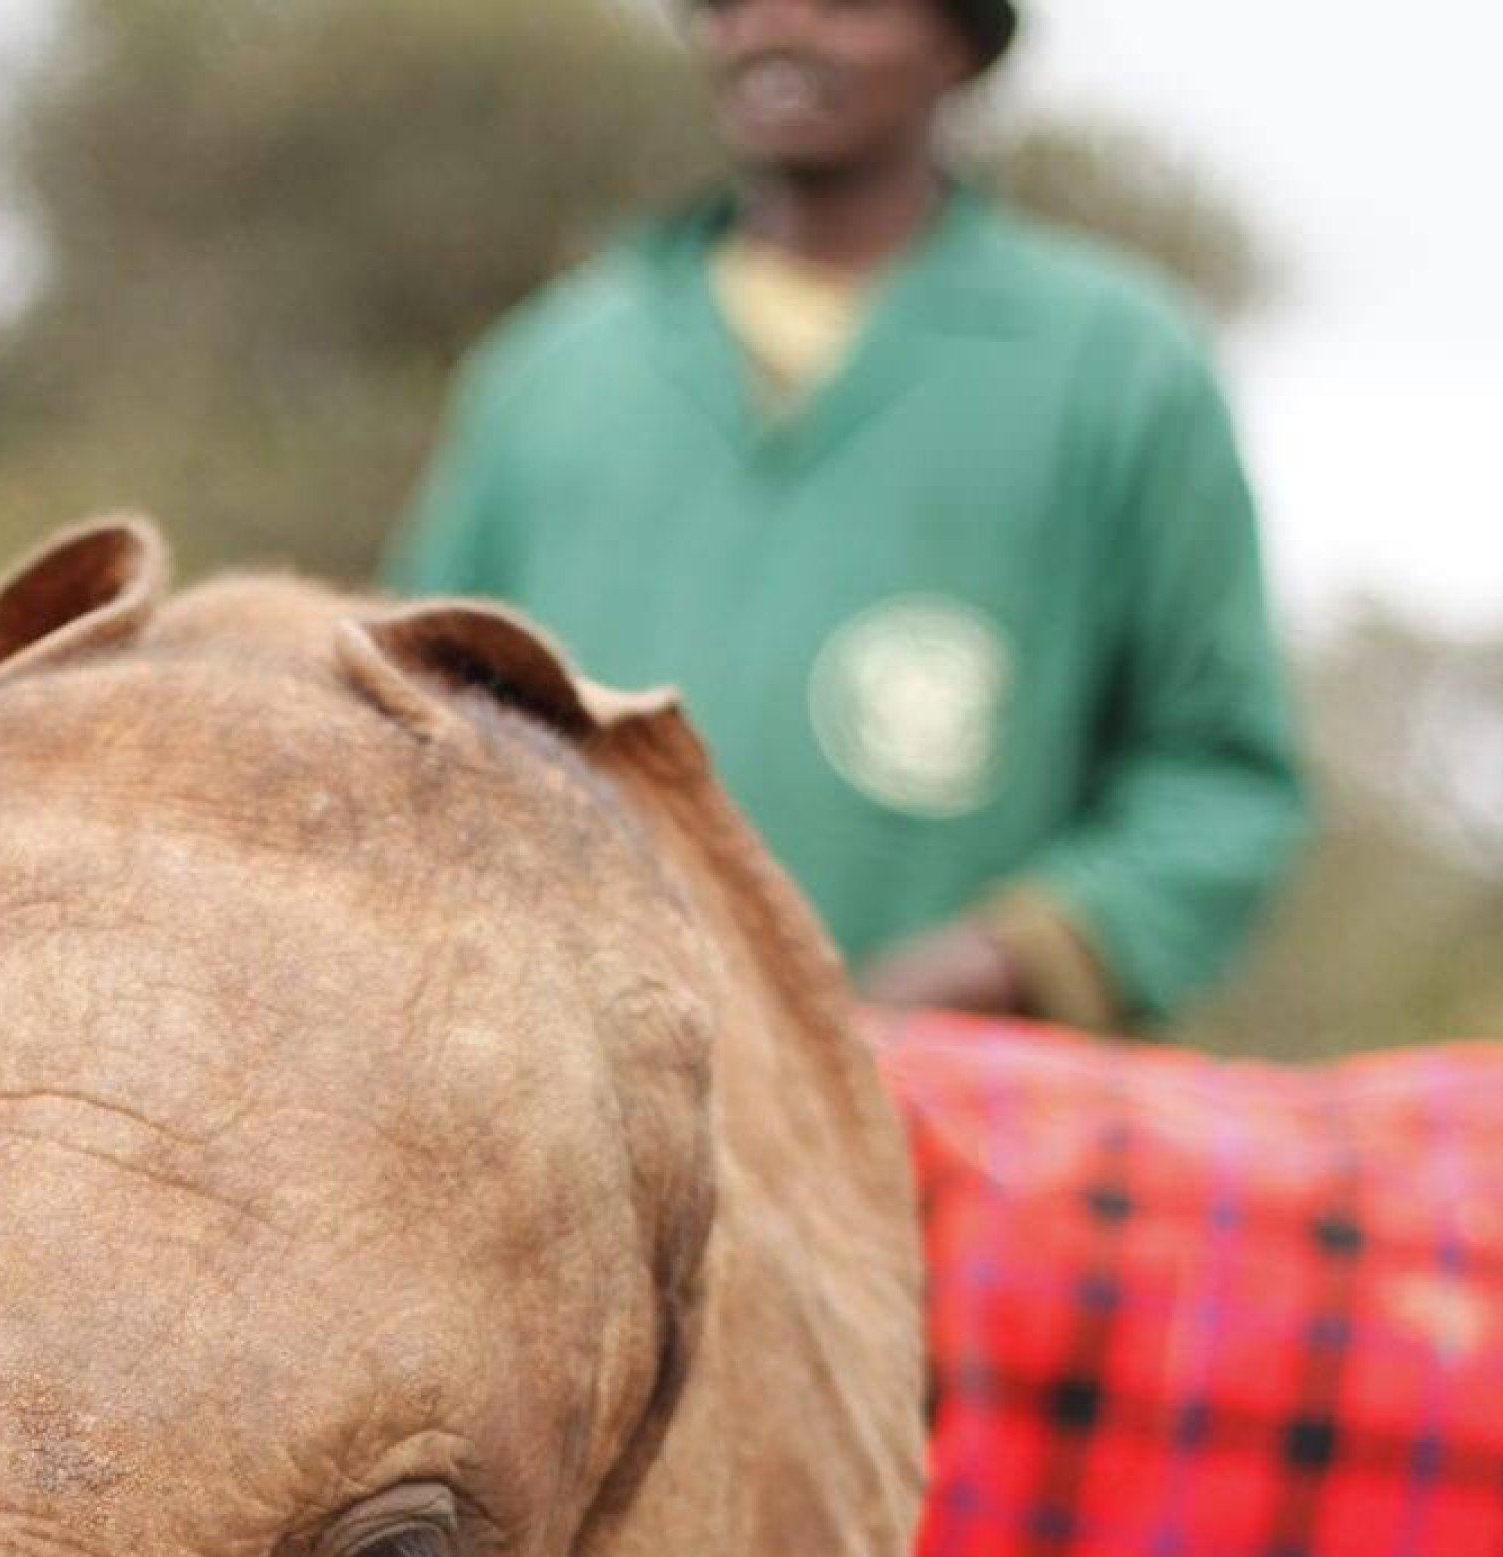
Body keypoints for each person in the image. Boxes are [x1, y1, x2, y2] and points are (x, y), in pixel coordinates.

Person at [387, 0, 1309, 1029]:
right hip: (572, 1094)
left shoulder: (1121, 368)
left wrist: (1013, 955)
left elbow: (1217, 779)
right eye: (735, 3)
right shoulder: (552, 368)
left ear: (958, 43)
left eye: (845, 2)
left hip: (948, 1123)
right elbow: (407, 718)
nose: (779, 29)